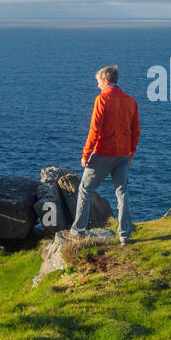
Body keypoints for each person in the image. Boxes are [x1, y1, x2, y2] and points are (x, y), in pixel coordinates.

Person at [70, 65, 139, 244]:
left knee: (85, 190)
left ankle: (78, 231)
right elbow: (136, 131)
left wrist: (86, 154)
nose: (97, 86)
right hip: (123, 154)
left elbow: (94, 130)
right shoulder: (131, 101)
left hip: (104, 153)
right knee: (122, 193)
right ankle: (124, 235)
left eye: (98, 82)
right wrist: (131, 153)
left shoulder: (102, 100)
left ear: (106, 81)